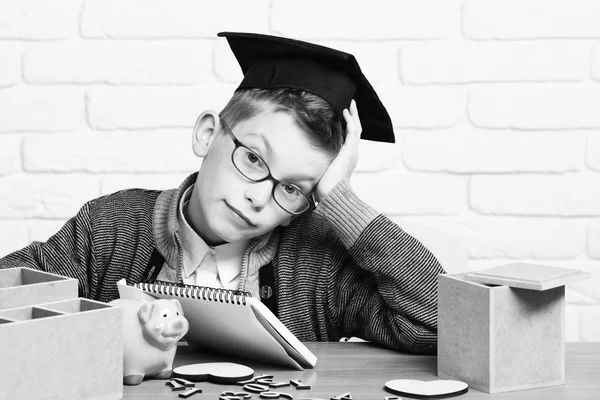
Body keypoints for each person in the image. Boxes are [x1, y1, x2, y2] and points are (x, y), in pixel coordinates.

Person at [0, 32, 445, 354]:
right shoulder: (109, 228)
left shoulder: (319, 265)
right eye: (253, 158)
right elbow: (12, 291)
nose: (258, 198)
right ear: (208, 135)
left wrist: (337, 200)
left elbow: (440, 324)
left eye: (291, 188)